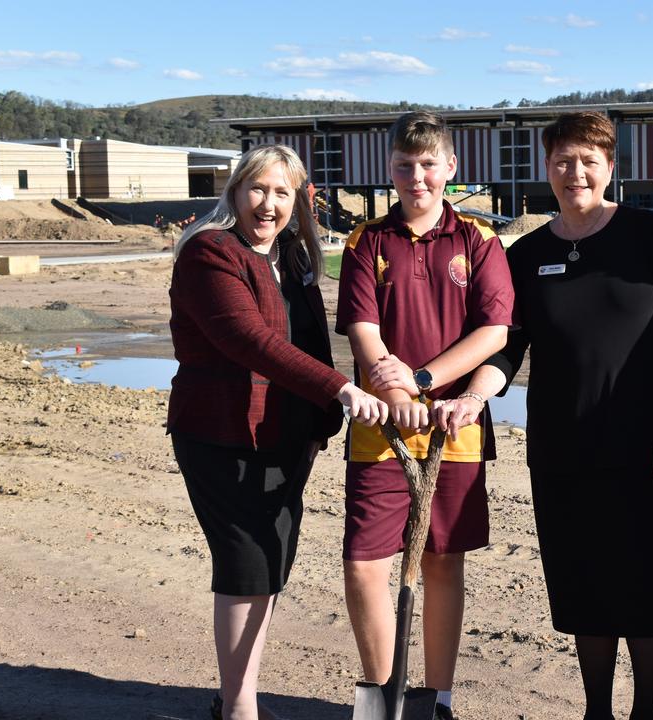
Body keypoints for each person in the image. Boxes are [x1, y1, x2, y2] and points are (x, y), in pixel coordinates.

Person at [448, 111, 653, 720]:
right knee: (584, 580)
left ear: (610, 167)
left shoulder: (647, 237)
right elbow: (508, 345)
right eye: (563, 161)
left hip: (649, 445)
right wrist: (472, 396)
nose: (576, 173)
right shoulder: (528, 253)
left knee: (646, 580)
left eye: (589, 160)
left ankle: (646, 709)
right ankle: (596, 710)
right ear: (547, 169)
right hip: (565, 450)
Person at [167, 144, 387, 720]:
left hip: (286, 438)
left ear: (297, 202)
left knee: (269, 560)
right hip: (222, 432)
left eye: (282, 193)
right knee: (245, 562)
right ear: (236, 192)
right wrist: (341, 390)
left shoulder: (290, 258)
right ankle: (239, 707)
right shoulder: (211, 253)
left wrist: (320, 423)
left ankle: (236, 695)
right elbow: (250, 341)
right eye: (258, 190)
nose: (268, 204)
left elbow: (310, 338)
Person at [335, 111, 513, 720]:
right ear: (390, 170)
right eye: (406, 166)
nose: (418, 177)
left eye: (429, 165)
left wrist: (422, 383)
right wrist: (395, 390)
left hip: (452, 427)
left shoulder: (478, 240)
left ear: (450, 169)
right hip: (378, 429)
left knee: (441, 562)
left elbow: (494, 331)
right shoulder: (368, 241)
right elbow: (363, 330)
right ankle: (383, 694)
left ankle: (436, 698)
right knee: (364, 564)